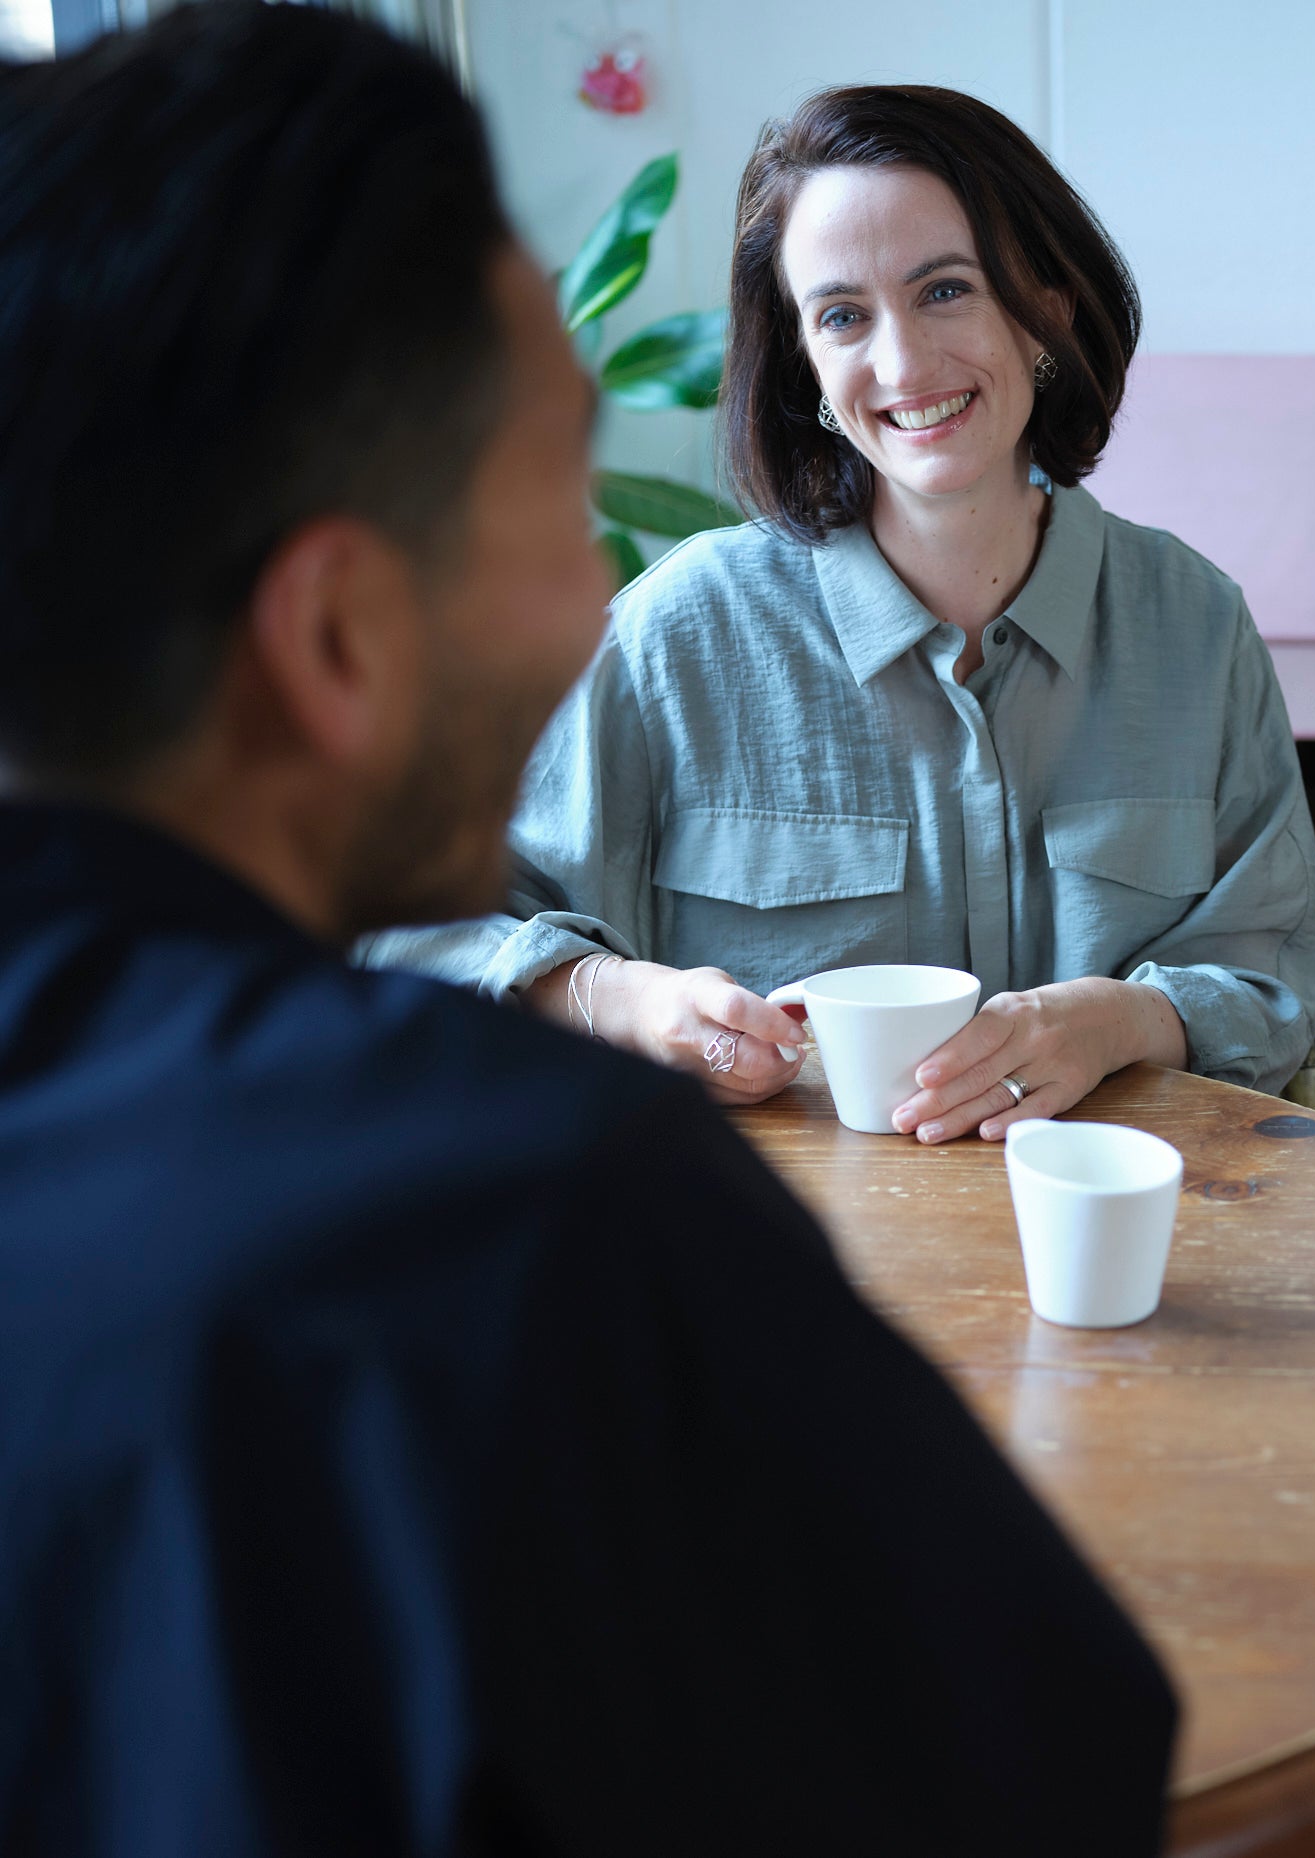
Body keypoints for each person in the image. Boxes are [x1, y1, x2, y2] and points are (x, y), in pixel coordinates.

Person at [0, 9, 1175, 1852]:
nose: (591, 603)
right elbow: (1056, 1755)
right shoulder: (526, 1204)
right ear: (333, 635)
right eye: (550, 499)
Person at [367, 83, 1315, 1141]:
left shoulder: (1195, 626)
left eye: (946, 290)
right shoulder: (677, 632)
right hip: (770, 1270)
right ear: (805, 366)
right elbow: (414, 931)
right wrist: (625, 1001)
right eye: (841, 315)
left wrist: (1120, 1019)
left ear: (1045, 305)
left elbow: (1272, 978)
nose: (904, 364)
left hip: (1126, 1268)